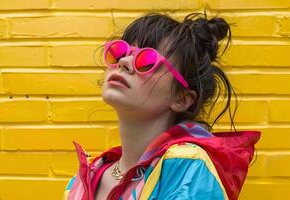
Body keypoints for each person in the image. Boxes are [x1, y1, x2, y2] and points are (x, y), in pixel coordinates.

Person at [63, 11, 261, 200]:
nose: (124, 62)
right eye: (121, 52)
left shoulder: (187, 166)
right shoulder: (85, 177)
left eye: (147, 61)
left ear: (181, 99)